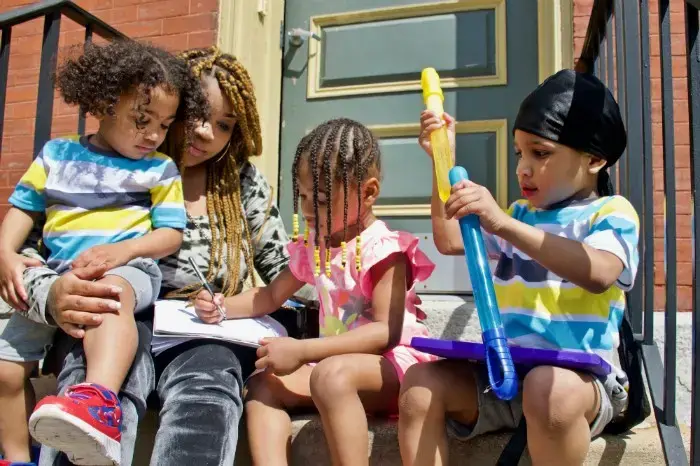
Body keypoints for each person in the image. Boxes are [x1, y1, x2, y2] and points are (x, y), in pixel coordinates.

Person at [2, 46, 293, 466]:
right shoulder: (112, 163)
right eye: (197, 117)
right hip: (104, 315)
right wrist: (53, 295)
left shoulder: (240, 182)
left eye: (225, 125)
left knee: (208, 386)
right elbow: (29, 246)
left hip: (202, 328)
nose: (207, 133)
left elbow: (286, 269)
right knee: (91, 374)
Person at [398, 69, 639, 466]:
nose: (522, 168)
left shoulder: (610, 213)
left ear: (595, 158)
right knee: (421, 382)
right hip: (508, 374)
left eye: (540, 153)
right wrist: (441, 162)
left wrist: (506, 225)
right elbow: (450, 240)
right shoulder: (520, 214)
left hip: (581, 384)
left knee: (550, 389)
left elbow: (600, 272)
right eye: (519, 153)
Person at [0, 40, 208, 466]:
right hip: (55, 273)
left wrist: (123, 251)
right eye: (142, 119)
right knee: (5, 370)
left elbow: (170, 234)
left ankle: (98, 401)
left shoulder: (159, 169)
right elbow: (23, 210)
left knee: (110, 298)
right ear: (103, 103)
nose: (153, 134)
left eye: (165, 124)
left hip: (131, 268)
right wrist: (4, 254)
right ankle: (17, 457)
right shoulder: (57, 154)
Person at [194, 117, 437, 466]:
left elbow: (386, 332)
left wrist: (303, 349)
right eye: (303, 196)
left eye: (321, 199)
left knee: (330, 375)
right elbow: (270, 296)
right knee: (263, 385)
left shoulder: (386, 250)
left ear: (368, 193)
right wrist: (220, 307)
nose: (307, 208)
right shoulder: (315, 245)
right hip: (334, 369)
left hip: (395, 370)